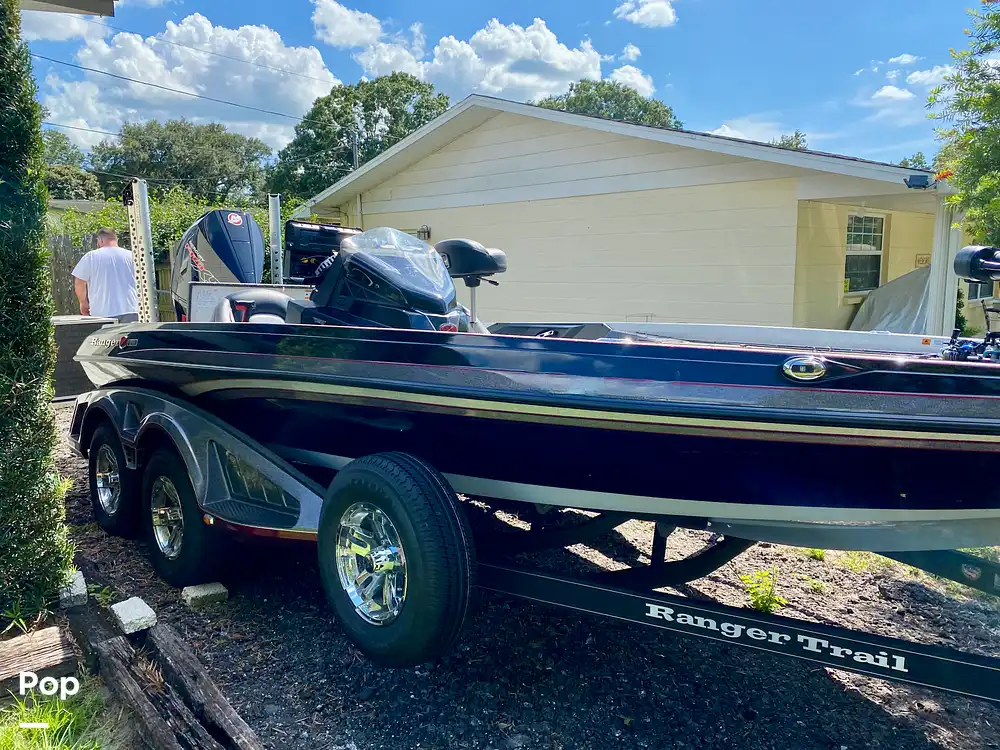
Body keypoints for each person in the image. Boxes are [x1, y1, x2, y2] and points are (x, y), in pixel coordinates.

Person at [72, 228, 139, 323]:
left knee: (107, 338)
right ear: (116, 240)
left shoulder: (91, 257)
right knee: (131, 338)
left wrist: (83, 303)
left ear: (101, 240)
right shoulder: (132, 256)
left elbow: (79, 282)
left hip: (102, 312)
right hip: (131, 309)